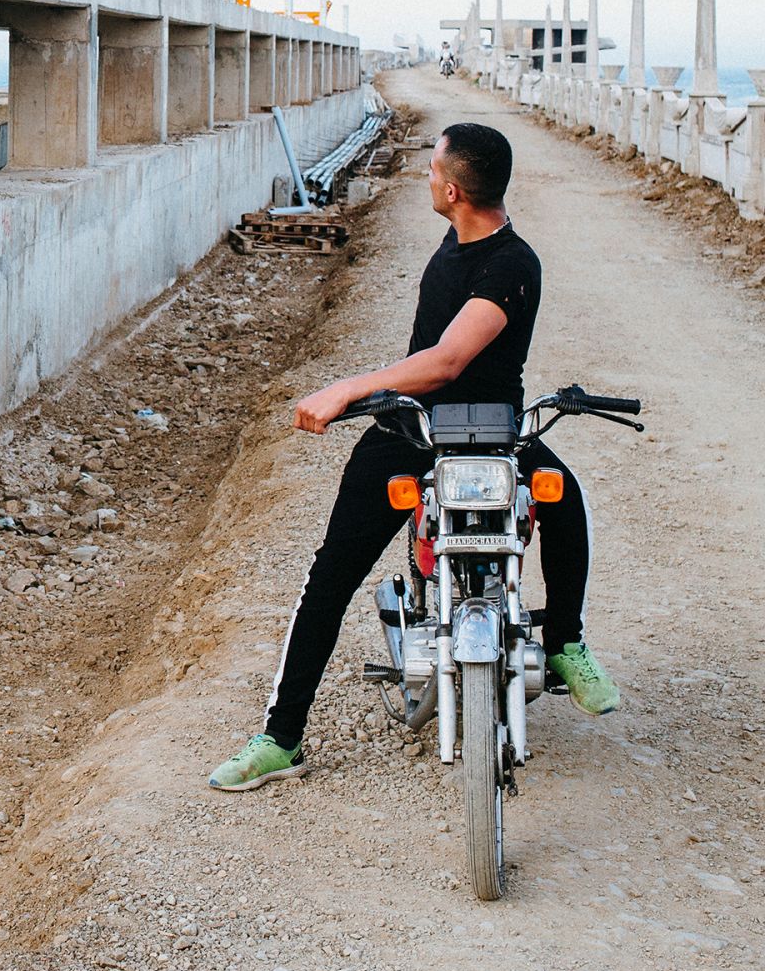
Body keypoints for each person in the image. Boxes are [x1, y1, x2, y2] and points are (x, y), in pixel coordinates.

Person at [208, 122, 621, 792]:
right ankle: (281, 738)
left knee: (563, 498)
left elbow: (448, 360)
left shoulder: (512, 264)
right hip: (414, 431)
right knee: (332, 574)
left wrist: (349, 387)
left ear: (454, 189)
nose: (426, 176)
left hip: (489, 431)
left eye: (433, 169)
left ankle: (565, 641)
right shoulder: (458, 239)